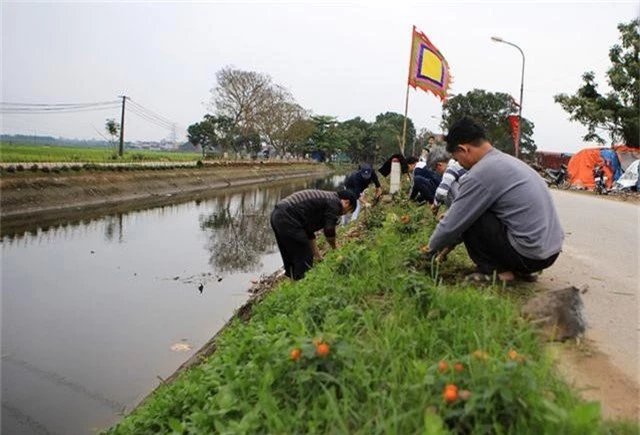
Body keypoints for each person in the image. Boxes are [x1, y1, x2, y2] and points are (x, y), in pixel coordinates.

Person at [425, 117, 564, 284]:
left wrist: (428, 252)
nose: (459, 165)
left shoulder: (481, 173)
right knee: (472, 212)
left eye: (457, 159)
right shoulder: (506, 161)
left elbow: (452, 225)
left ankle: (499, 272)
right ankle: (517, 270)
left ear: (463, 149)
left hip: (529, 255)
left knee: (472, 216)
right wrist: (446, 247)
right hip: (549, 252)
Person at [270, 189, 357, 280]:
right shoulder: (335, 203)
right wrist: (336, 249)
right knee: (304, 255)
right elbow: (329, 231)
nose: (343, 214)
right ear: (347, 203)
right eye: (348, 211)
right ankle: (302, 284)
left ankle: (294, 282)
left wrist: (318, 256)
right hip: (288, 215)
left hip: (277, 214)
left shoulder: (325, 199)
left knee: (290, 254)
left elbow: (308, 232)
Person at [426, 146, 467, 213]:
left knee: (447, 186)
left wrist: (435, 205)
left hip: (467, 203)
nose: (436, 173)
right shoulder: (457, 164)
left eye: (434, 170)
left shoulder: (450, 169)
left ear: (439, 165)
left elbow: (441, 193)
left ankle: (454, 214)